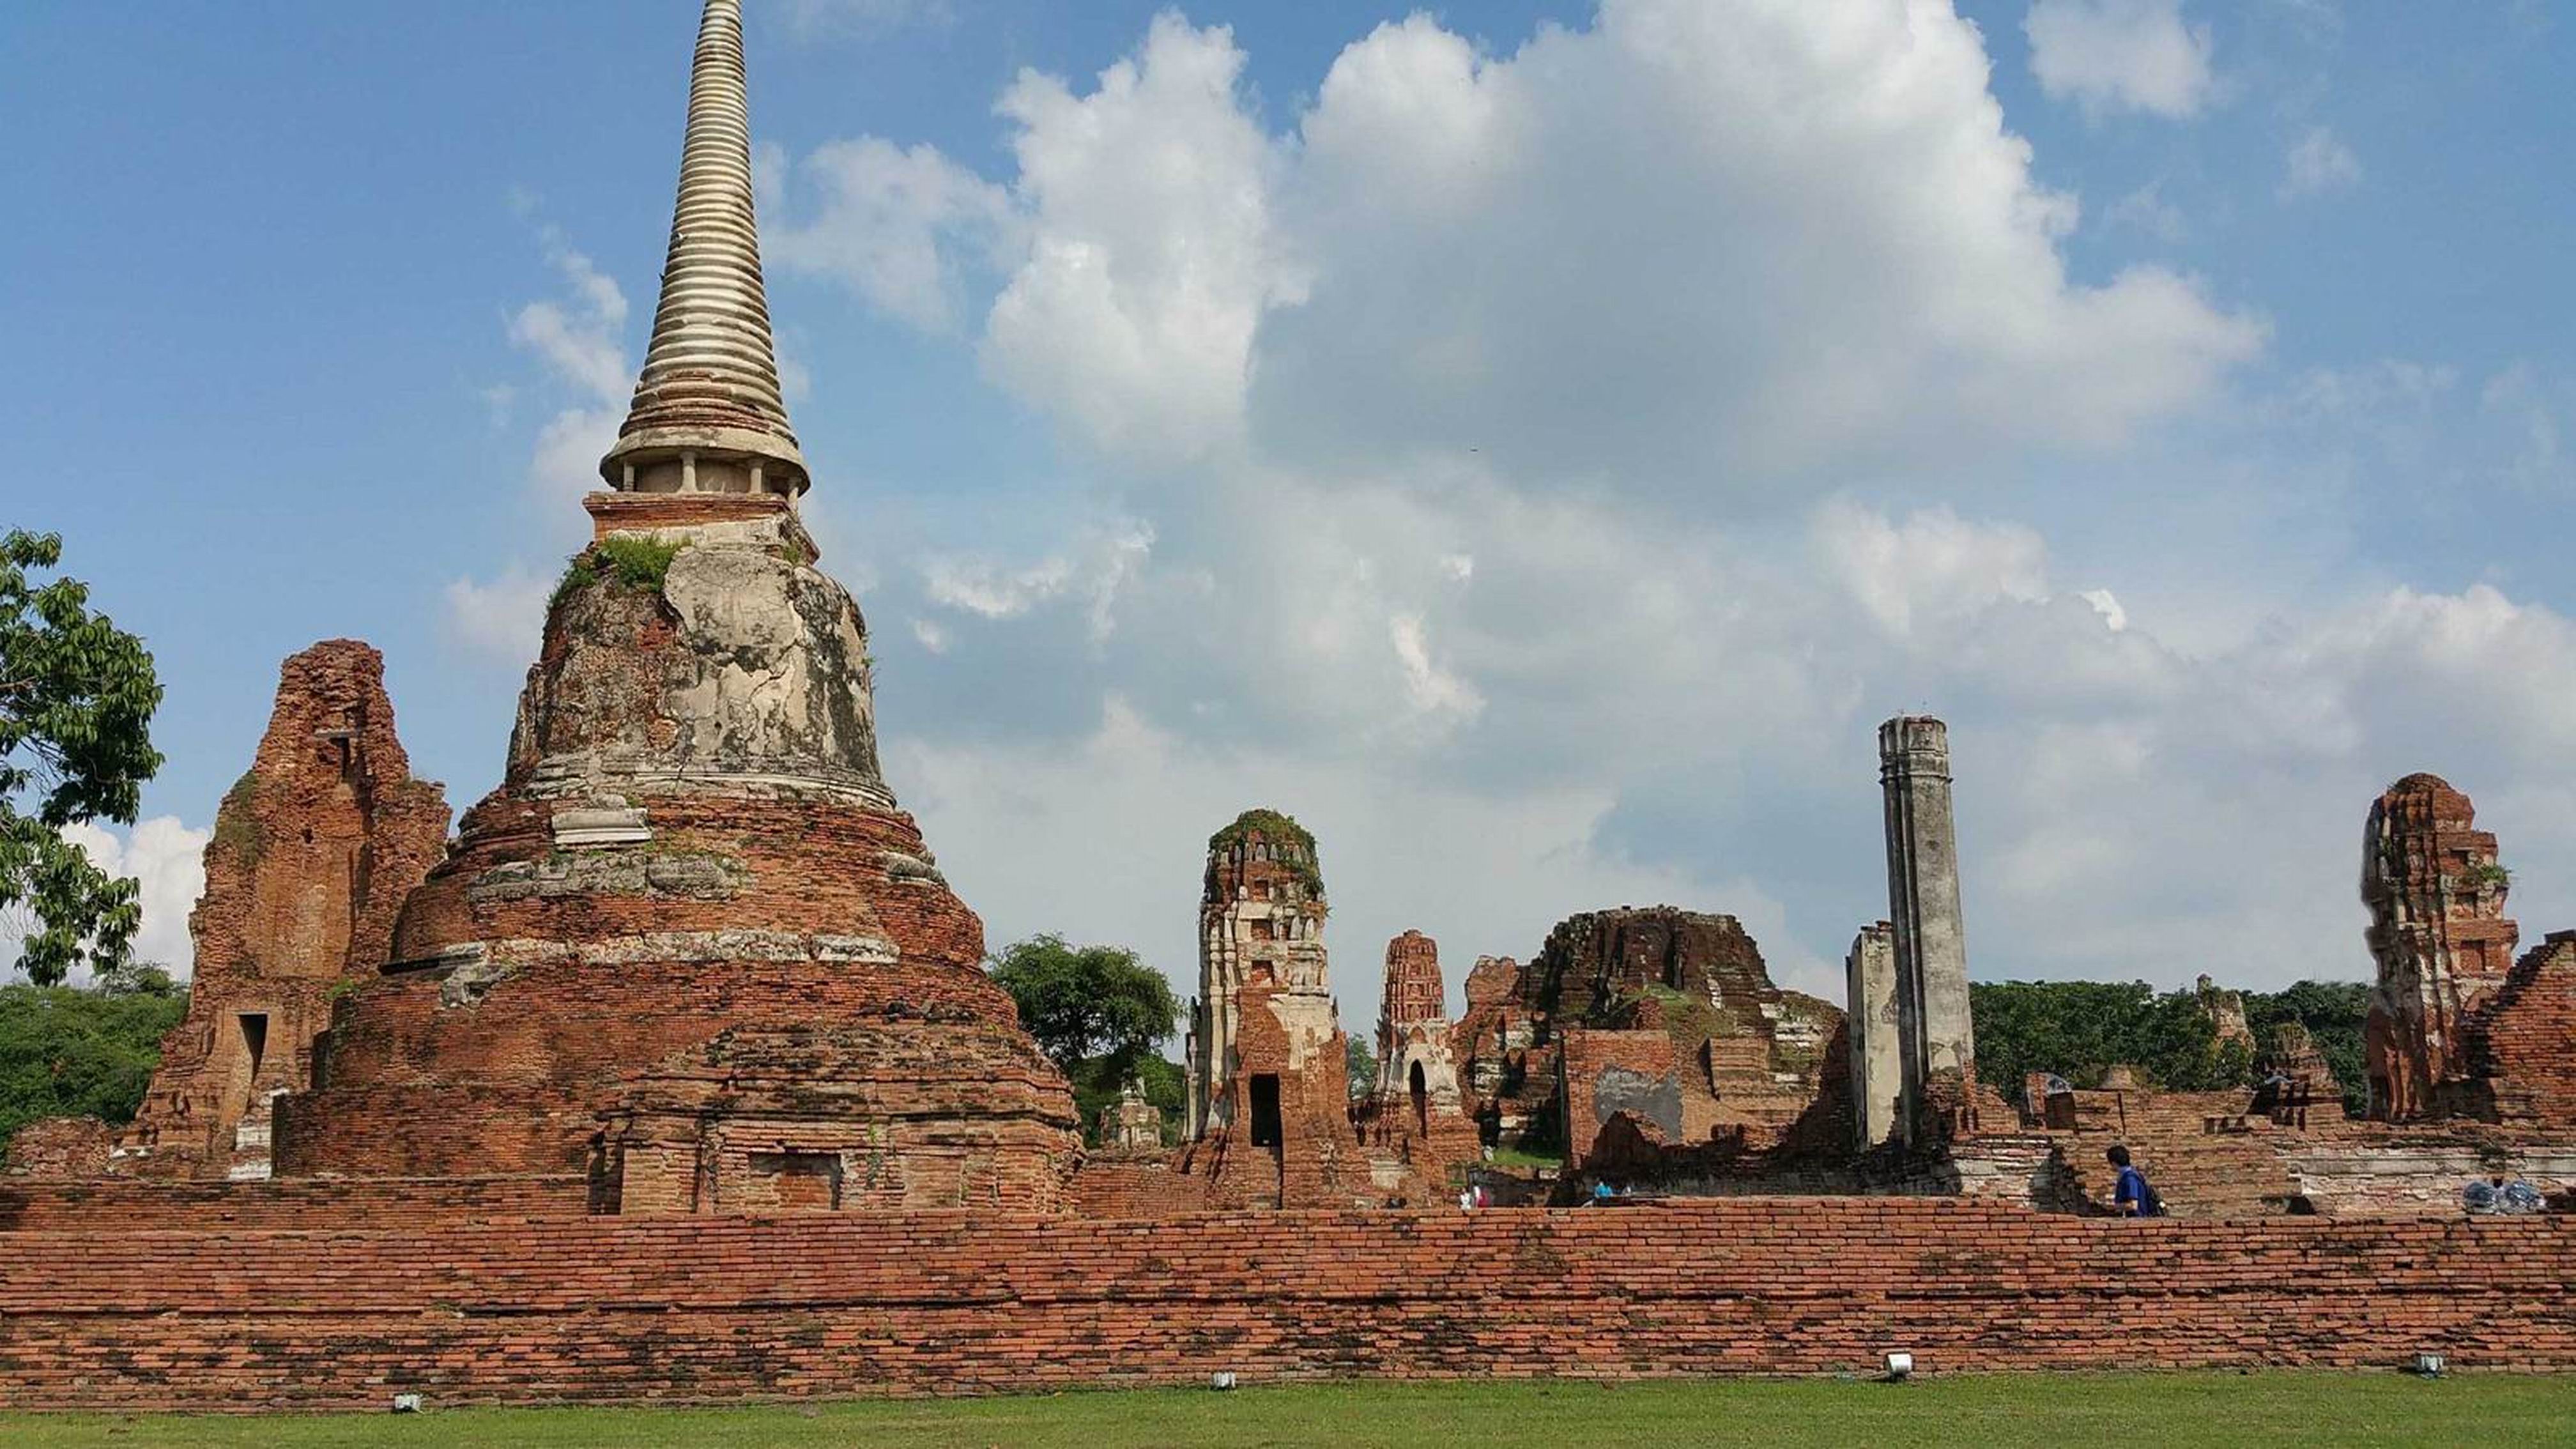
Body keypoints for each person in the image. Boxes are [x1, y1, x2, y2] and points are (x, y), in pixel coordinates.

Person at [2107, 1144, 2162, 1217]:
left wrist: (2112, 1207)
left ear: (2114, 1163)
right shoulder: (2130, 1175)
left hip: (2138, 1219)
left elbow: (2133, 1205)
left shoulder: (2130, 1178)